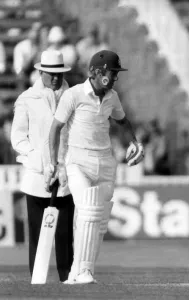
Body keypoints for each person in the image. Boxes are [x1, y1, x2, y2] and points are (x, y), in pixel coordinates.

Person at [46, 50, 144, 284]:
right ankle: (83, 272)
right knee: (88, 211)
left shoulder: (112, 97)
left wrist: (134, 141)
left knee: (98, 220)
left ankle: (75, 273)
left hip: (105, 161)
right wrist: (54, 162)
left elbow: (123, 121)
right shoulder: (74, 95)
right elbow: (55, 129)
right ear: (97, 72)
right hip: (78, 161)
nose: (114, 78)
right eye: (111, 73)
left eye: (116, 74)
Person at [11, 50, 75, 282]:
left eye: (59, 73)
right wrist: (38, 160)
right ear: (40, 72)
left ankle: (67, 278)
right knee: (37, 235)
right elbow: (18, 138)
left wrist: (65, 164)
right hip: (37, 176)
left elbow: (76, 135)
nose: (55, 78)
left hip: (66, 175)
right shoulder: (27, 99)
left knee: (65, 235)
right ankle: (37, 280)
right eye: (50, 73)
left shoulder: (74, 96)